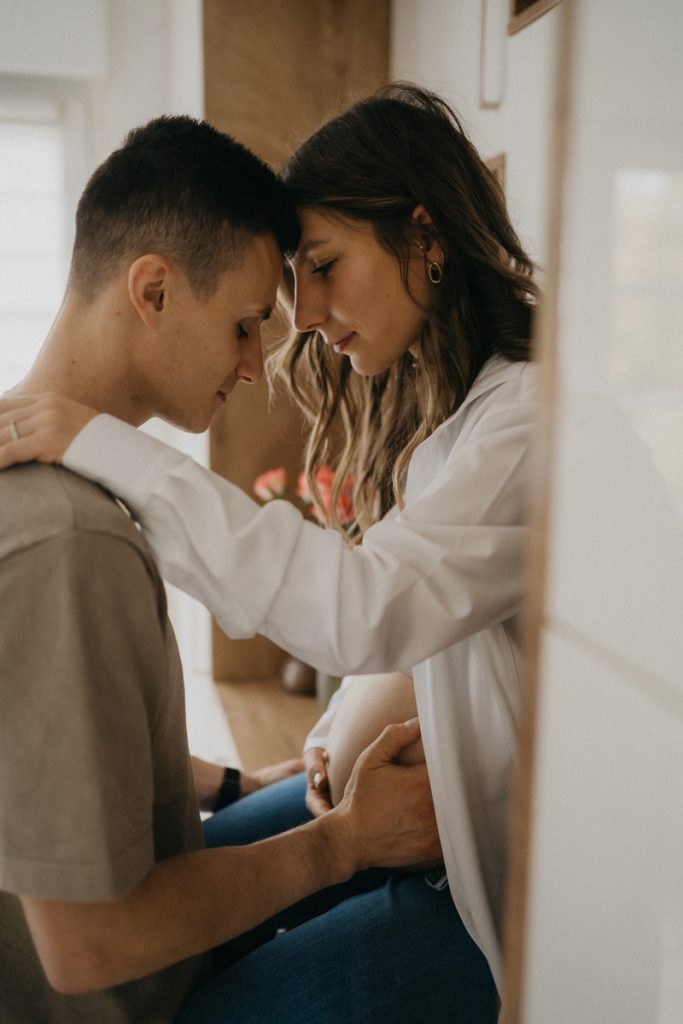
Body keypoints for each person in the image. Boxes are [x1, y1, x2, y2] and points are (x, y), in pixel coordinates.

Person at [0, 83, 538, 1021]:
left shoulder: (514, 425)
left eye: (323, 266)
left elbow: (386, 611)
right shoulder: (66, 533)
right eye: (256, 318)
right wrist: (338, 828)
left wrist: (254, 782)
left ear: (425, 235)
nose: (286, 344)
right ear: (155, 290)